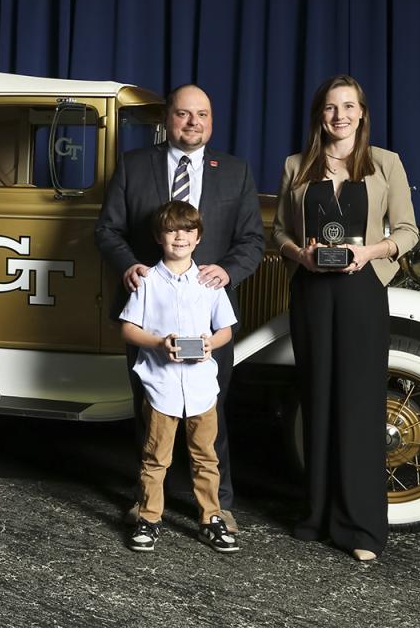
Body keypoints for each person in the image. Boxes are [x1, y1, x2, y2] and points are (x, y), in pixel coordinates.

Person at [95, 84, 264, 533]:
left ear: (212, 120)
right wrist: (128, 265)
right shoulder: (134, 166)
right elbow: (107, 231)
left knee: (213, 410)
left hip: (206, 316)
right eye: (184, 114)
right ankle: (148, 504)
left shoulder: (235, 172)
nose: (193, 123)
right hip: (148, 315)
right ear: (167, 119)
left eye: (202, 115)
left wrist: (226, 272)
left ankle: (215, 506)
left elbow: (252, 240)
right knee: (150, 411)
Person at [271, 74, 418, 562]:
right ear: (321, 114)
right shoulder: (296, 165)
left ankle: (361, 528)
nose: (341, 115)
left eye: (349, 106)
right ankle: (317, 514)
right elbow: (278, 234)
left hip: (361, 291)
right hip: (312, 290)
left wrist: (370, 252)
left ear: (362, 112)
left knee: (357, 403)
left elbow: (407, 232)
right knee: (316, 400)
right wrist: (302, 254)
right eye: (332, 107)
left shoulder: (386, 164)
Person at [121, 200, 240, 554]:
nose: (180, 237)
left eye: (188, 230)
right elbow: (128, 330)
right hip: (162, 386)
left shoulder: (209, 282)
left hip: (202, 386)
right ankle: (149, 518)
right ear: (160, 236)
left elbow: (225, 331)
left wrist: (209, 344)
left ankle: (210, 520)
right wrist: (159, 342)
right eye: (172, 230)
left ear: (198, 236)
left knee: (205, 456)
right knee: (156, 456)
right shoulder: (147, 281)